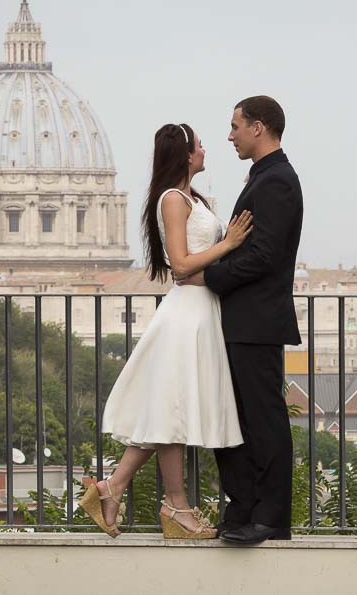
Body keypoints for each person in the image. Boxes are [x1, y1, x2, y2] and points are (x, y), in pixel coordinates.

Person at [79, 122, 253, 539]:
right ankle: (171, 506)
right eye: (199, 145)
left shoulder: (191, 197)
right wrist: (227, 244)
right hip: (187, 315)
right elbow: (180, 264)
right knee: (171, 414)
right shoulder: (173, 200)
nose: (207, 149)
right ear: (185, 155)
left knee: (168, 413)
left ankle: (117, 488)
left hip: (199, 312)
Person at [177, 96, 303, 545]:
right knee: (241, 419)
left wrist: (207, 276)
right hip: (245, 320)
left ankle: (269, 517)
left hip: (255, 321)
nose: (229, 135)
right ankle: (246, 509)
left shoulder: (276, 182)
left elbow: (263, 256)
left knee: (262, 420)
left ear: (259, 127)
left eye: (235, 126)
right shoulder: (267, 178)